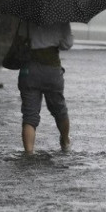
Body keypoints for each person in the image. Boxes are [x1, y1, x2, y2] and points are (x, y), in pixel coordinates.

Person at [18, 21, 74, 153]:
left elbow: (20, 38)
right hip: (52, 70)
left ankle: (29, 154)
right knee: (60, 109)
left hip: (29, 69)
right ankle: (65, 141)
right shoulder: (62, 17)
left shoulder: (27, 15)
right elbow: (67, 44)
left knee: (29, 116)